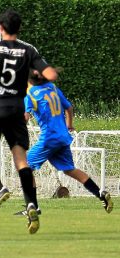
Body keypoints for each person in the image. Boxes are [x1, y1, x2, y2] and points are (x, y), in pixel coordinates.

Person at [0, 9, 58, 234]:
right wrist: (36, 73)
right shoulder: (28, 50)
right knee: (21, 161)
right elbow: (51, 75)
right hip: (17, 108)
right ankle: (31, 204)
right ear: (19, 29)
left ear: (1, 27)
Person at [23, 69, 113, 213]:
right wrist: (69, 125)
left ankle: (33, 207)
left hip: (49, 138)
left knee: (25, 166)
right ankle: (100, 194)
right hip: (63, 137)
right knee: (70, 170)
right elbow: (69, 107)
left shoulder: (31, 94)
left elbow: (26, 118)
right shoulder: (53, 88)